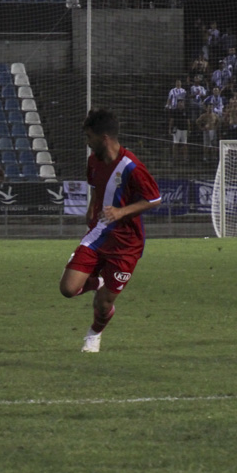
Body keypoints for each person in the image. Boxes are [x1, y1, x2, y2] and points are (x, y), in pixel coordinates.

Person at [59, 109, 162, 353]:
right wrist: (91, 209)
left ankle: (94, 334)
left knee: (103, 304)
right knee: (68, 289)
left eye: (89, 136)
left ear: (103, 137)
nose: (87, 142)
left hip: (126, 246)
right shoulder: (93, 160)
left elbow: (155, 198)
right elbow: (96, 188)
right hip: (98, 235)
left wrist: (120, 212)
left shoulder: (131, 166)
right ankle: (98, 280)